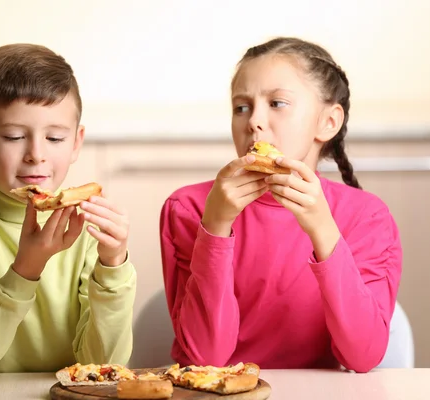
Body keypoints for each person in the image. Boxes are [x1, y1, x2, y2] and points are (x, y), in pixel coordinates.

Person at [159, 37, 402, 373]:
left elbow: (362, 356)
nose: (254, 121)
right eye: (241, 107)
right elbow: (206, 358)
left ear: (328, 122)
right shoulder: (188, 208)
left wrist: (322, 229)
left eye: (277, 103)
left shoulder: (367, 217)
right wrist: (215, 227)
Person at [0, 43, 136, 382]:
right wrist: (27, 267)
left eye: (55, 138)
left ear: (76, 143)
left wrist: (113, 265)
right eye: (13, 136)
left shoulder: (85, 222)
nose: (36, 155)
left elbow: (104, 367)